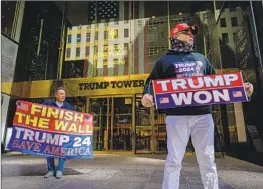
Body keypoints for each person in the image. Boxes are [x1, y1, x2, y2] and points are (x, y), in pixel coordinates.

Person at [141, 23, 254, 189]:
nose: (191, 36)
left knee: (207, 159)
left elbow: (217, 82)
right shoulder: (164, 60)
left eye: (192, 33)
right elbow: (151, 81)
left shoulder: (201, 58)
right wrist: (146, 95)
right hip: (176, 117)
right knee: (174, 160)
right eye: (186, 32)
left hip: (203, 116)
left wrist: (241, 89)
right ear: (174, 35)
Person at [42, 87, 75, 179]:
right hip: (50, 132)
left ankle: (59, 170)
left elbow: (75, 119)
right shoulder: (48, 103)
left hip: (63, 133)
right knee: (49, 151)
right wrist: (22, 106)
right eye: (61, 93)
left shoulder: (68, 107)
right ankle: (51, 170)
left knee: (62, 151)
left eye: (64, 94)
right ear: (56, 95)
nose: (63, 95)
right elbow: (36, 110)